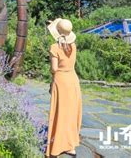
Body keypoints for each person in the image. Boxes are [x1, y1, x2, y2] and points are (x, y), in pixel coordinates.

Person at [45, 18, 82, 157]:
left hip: (61, 81)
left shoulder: (55, 47)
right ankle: (70, 146)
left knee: (59, 113)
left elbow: (54, 68)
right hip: (73, 79)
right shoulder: (74, 46)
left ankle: (57, 148)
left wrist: (51, 71)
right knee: (70, 113)